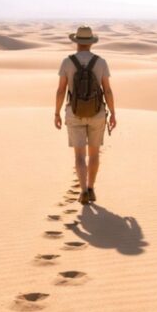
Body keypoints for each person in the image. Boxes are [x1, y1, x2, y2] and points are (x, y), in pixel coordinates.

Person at [54, 25, 117, 204]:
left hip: (74, 113)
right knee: (94, 154)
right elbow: (108, 91)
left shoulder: (67, 62)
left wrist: (56, 113)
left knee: (79, 156)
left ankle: (82, 191)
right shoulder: (101, 62)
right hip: (97, 113)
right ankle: (91, 188)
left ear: (76, 42)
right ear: (91, 43)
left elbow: (60, 91)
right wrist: (112, 113)